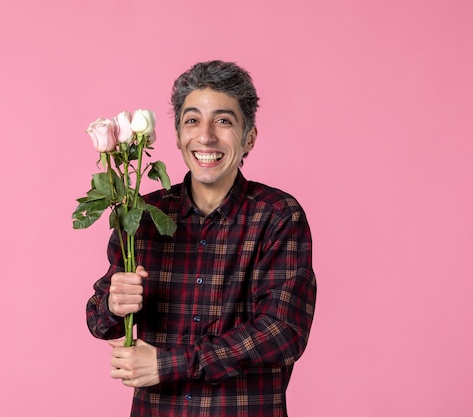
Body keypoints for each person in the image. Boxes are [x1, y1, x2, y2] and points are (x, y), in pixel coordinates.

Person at [86, 60, 316, 416]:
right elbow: (98, 321)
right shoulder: (141, 214)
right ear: (177, 136)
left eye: (223, 121)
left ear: (249, 137)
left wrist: (168, 363)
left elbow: (283, 333)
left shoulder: (277, 215)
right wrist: (113, 304)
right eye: (192, 121)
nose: (206, 136)